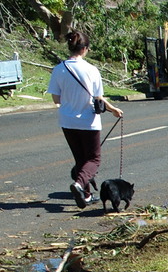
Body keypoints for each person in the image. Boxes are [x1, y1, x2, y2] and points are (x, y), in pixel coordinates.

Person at [47, 28, 124, 208]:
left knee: (81, 159)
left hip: (67, 120)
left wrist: (69, 103)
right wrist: (113, 109)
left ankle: (87, 195)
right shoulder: (91, 69)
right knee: (94, 159)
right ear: (84, 49)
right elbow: (98, 98)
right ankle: (79, 184)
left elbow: (56, 99)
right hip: (88, 121)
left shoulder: (59, 69)